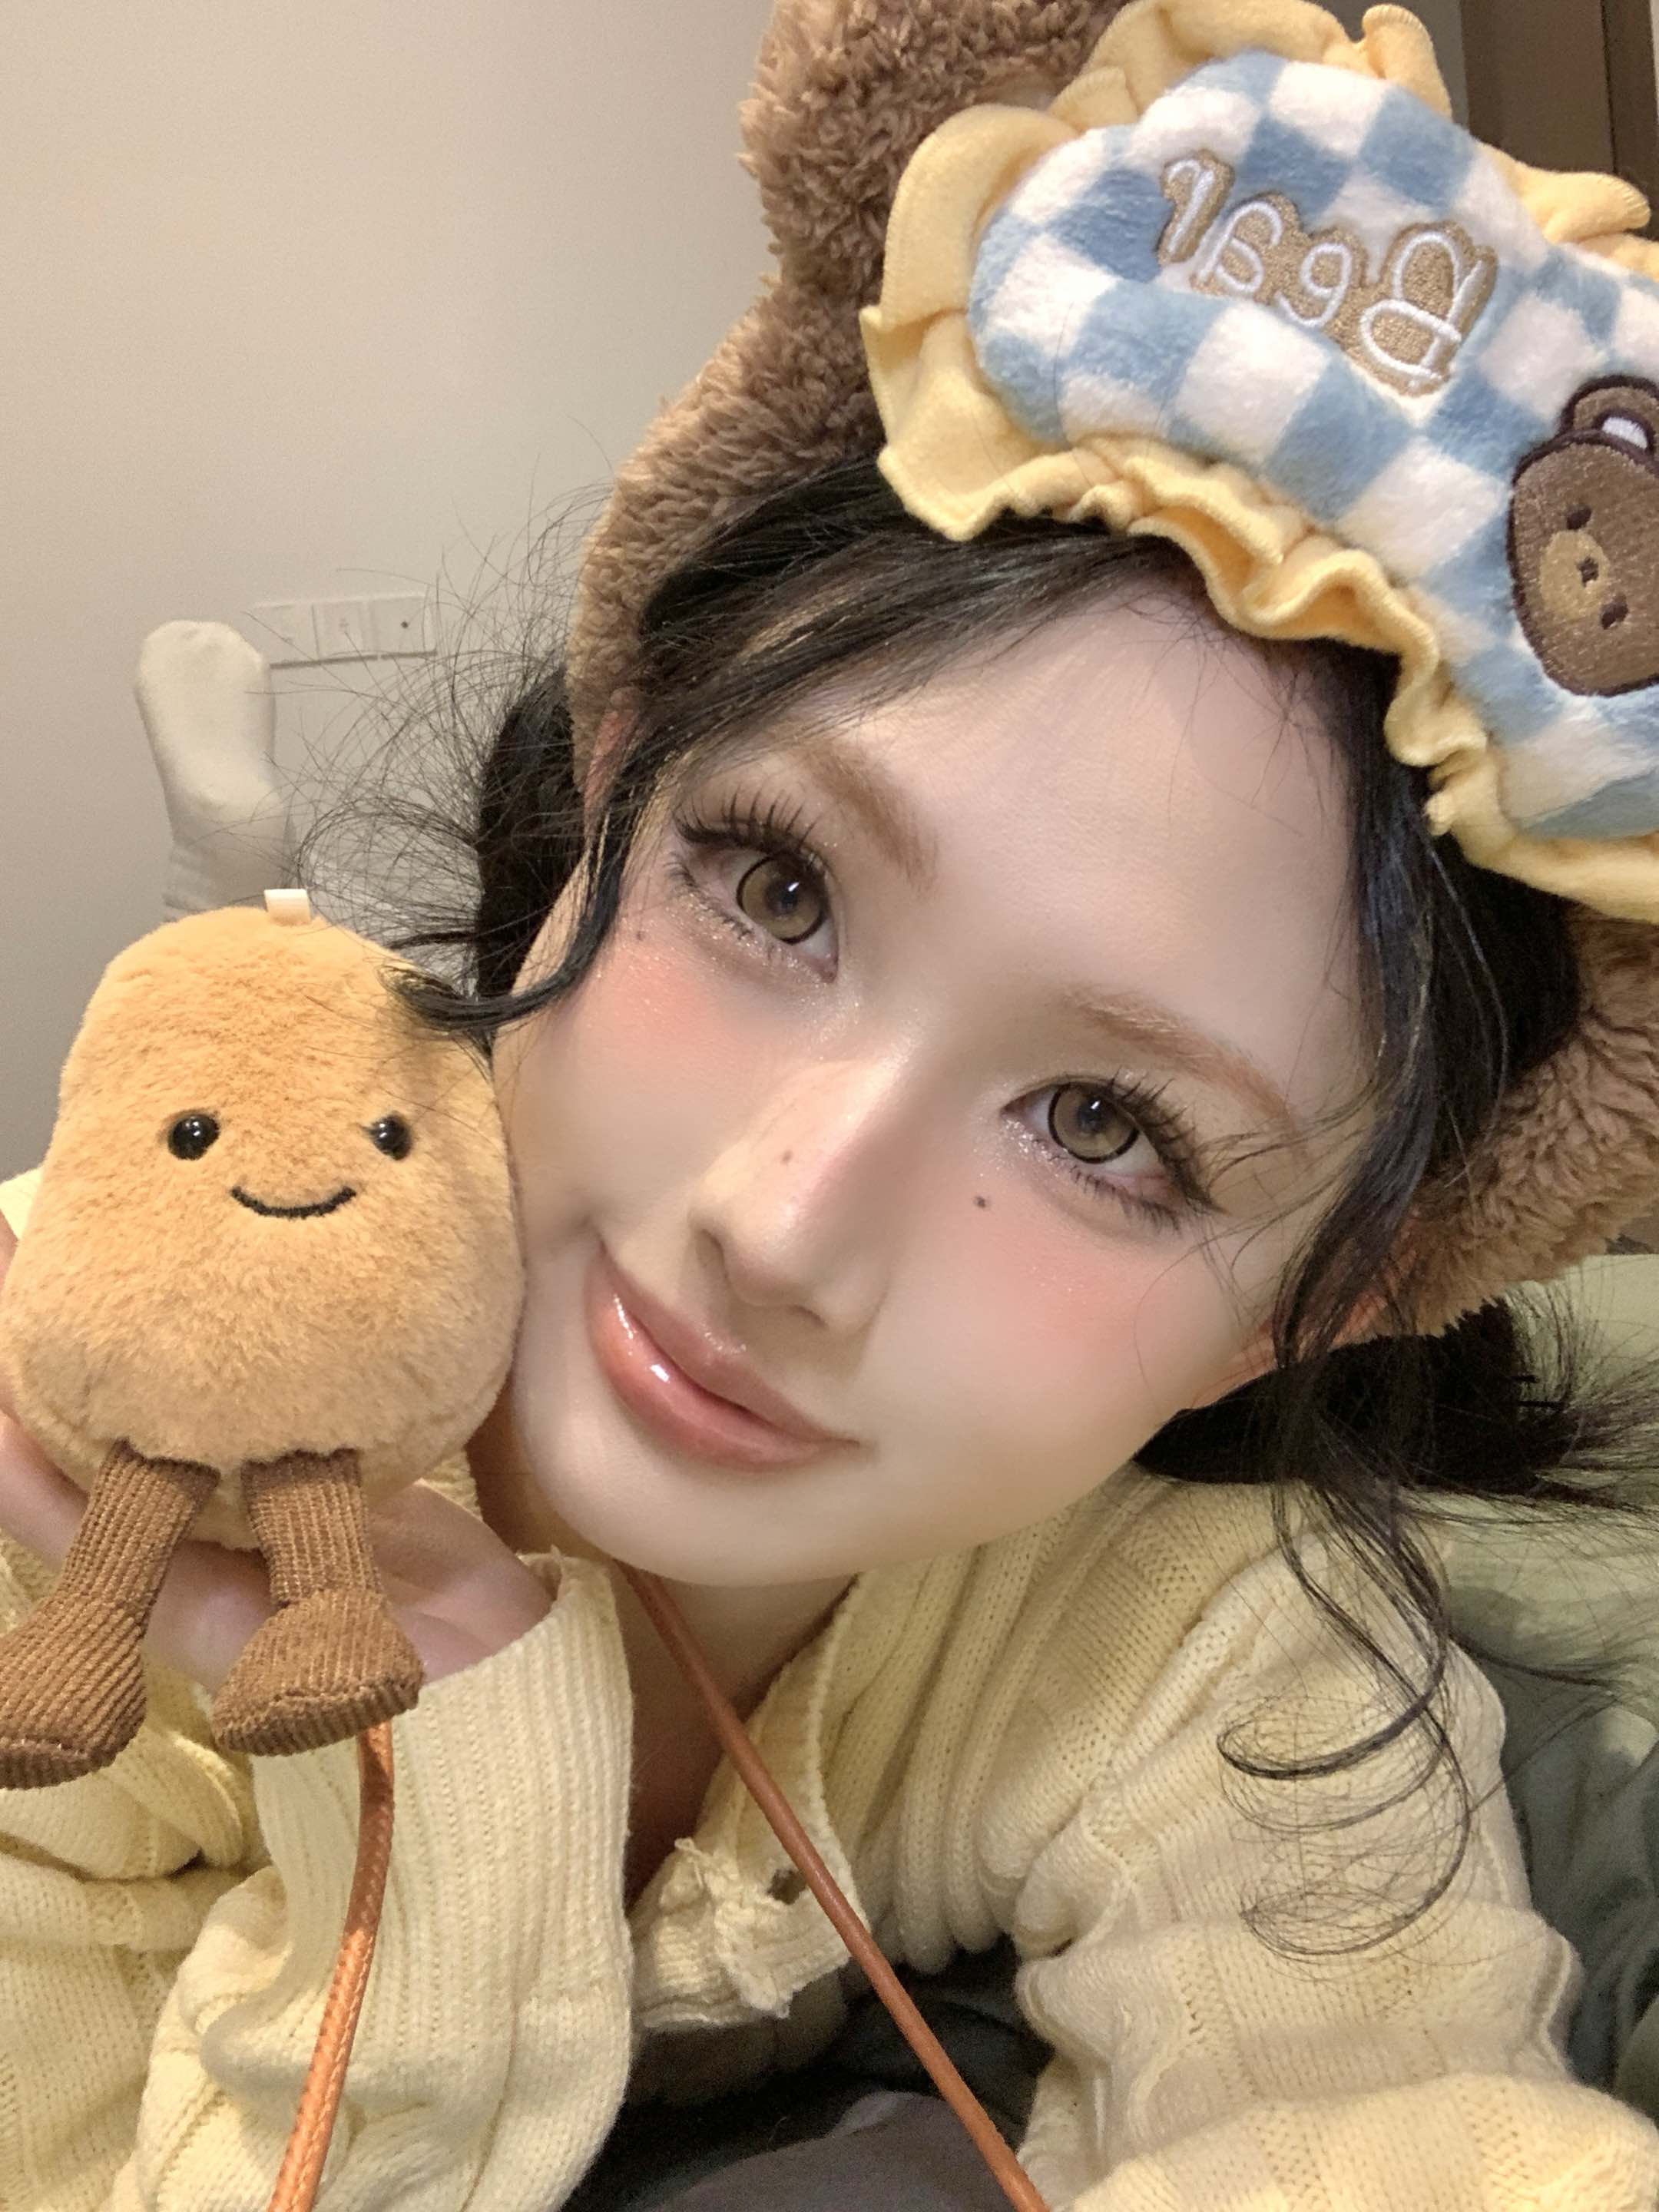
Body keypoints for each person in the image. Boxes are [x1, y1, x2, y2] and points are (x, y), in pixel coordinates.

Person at [9, 2, 1659, 2206]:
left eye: (1110, 1129)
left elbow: (1391, 2136)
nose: (780, 1230)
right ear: (612, 782)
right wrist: (426, 1748)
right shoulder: (75, 1465)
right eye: (775, 887)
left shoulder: (1211, 1662)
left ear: (1322, 1308)